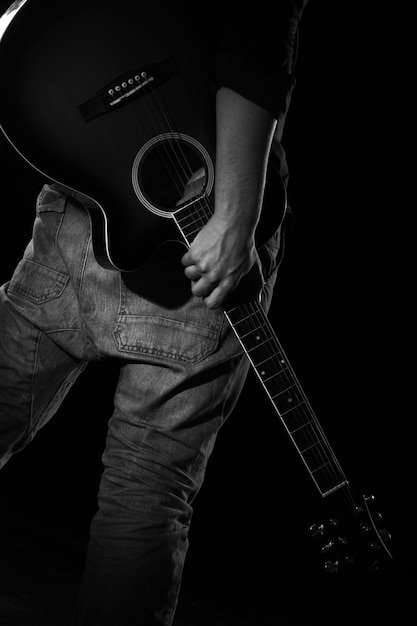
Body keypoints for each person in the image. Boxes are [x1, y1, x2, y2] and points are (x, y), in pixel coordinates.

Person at [0, 1, 310, 624]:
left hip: (178, 234)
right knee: (144, 498)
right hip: (169, 217)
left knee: (143, 499)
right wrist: (237, 215)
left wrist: (232, 221)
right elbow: (257, 32)